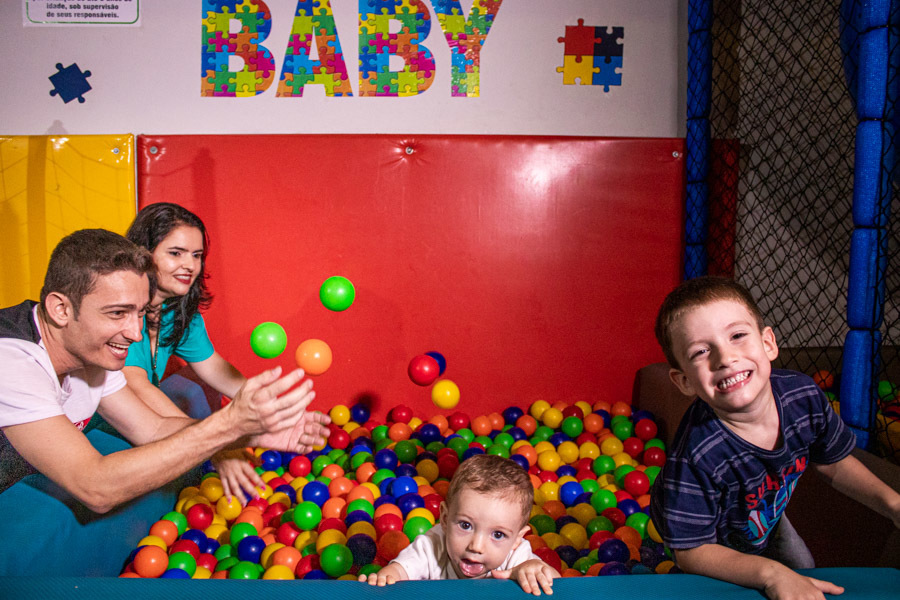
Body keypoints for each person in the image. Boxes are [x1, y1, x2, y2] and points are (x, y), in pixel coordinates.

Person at [0, 229, 329, 512]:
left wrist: (254, 432)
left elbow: (154, 429)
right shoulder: (12, 361)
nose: (135, 333)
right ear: (60, 309)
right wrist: (228, 425)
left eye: (139, 313)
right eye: (117, 313)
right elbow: (96, 487)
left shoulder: (92, 352)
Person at [650, 276, 900, 600]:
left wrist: (893, 503)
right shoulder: (697, 456)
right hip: (709, 539)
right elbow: (692, 552)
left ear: (768, 343)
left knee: (803, 569)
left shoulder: (802, 398)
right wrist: (770, 573)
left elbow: (834, 464)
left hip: (763, 514)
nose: (725, 358)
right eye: (701, 351)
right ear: (684, 381)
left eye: (737, 336)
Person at [114, 202, 265, 501]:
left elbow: (218, 372)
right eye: (176, 253)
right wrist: (213, 442)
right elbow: (137, 387)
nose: (190, 266)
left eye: (196, 255)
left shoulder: (179, 312)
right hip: (96, 424)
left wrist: (274, 410)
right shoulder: (121, 311)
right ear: (144, 254)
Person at [359, 454, 558, 595]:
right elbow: (400, 571)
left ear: (517, 539)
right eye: (465, 525)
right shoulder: (433, 545)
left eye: (498, 535)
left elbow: (560, 586)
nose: (476, 546)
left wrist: (536, 570)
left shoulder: (518, 558)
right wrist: (386, 579)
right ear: (445, 519)